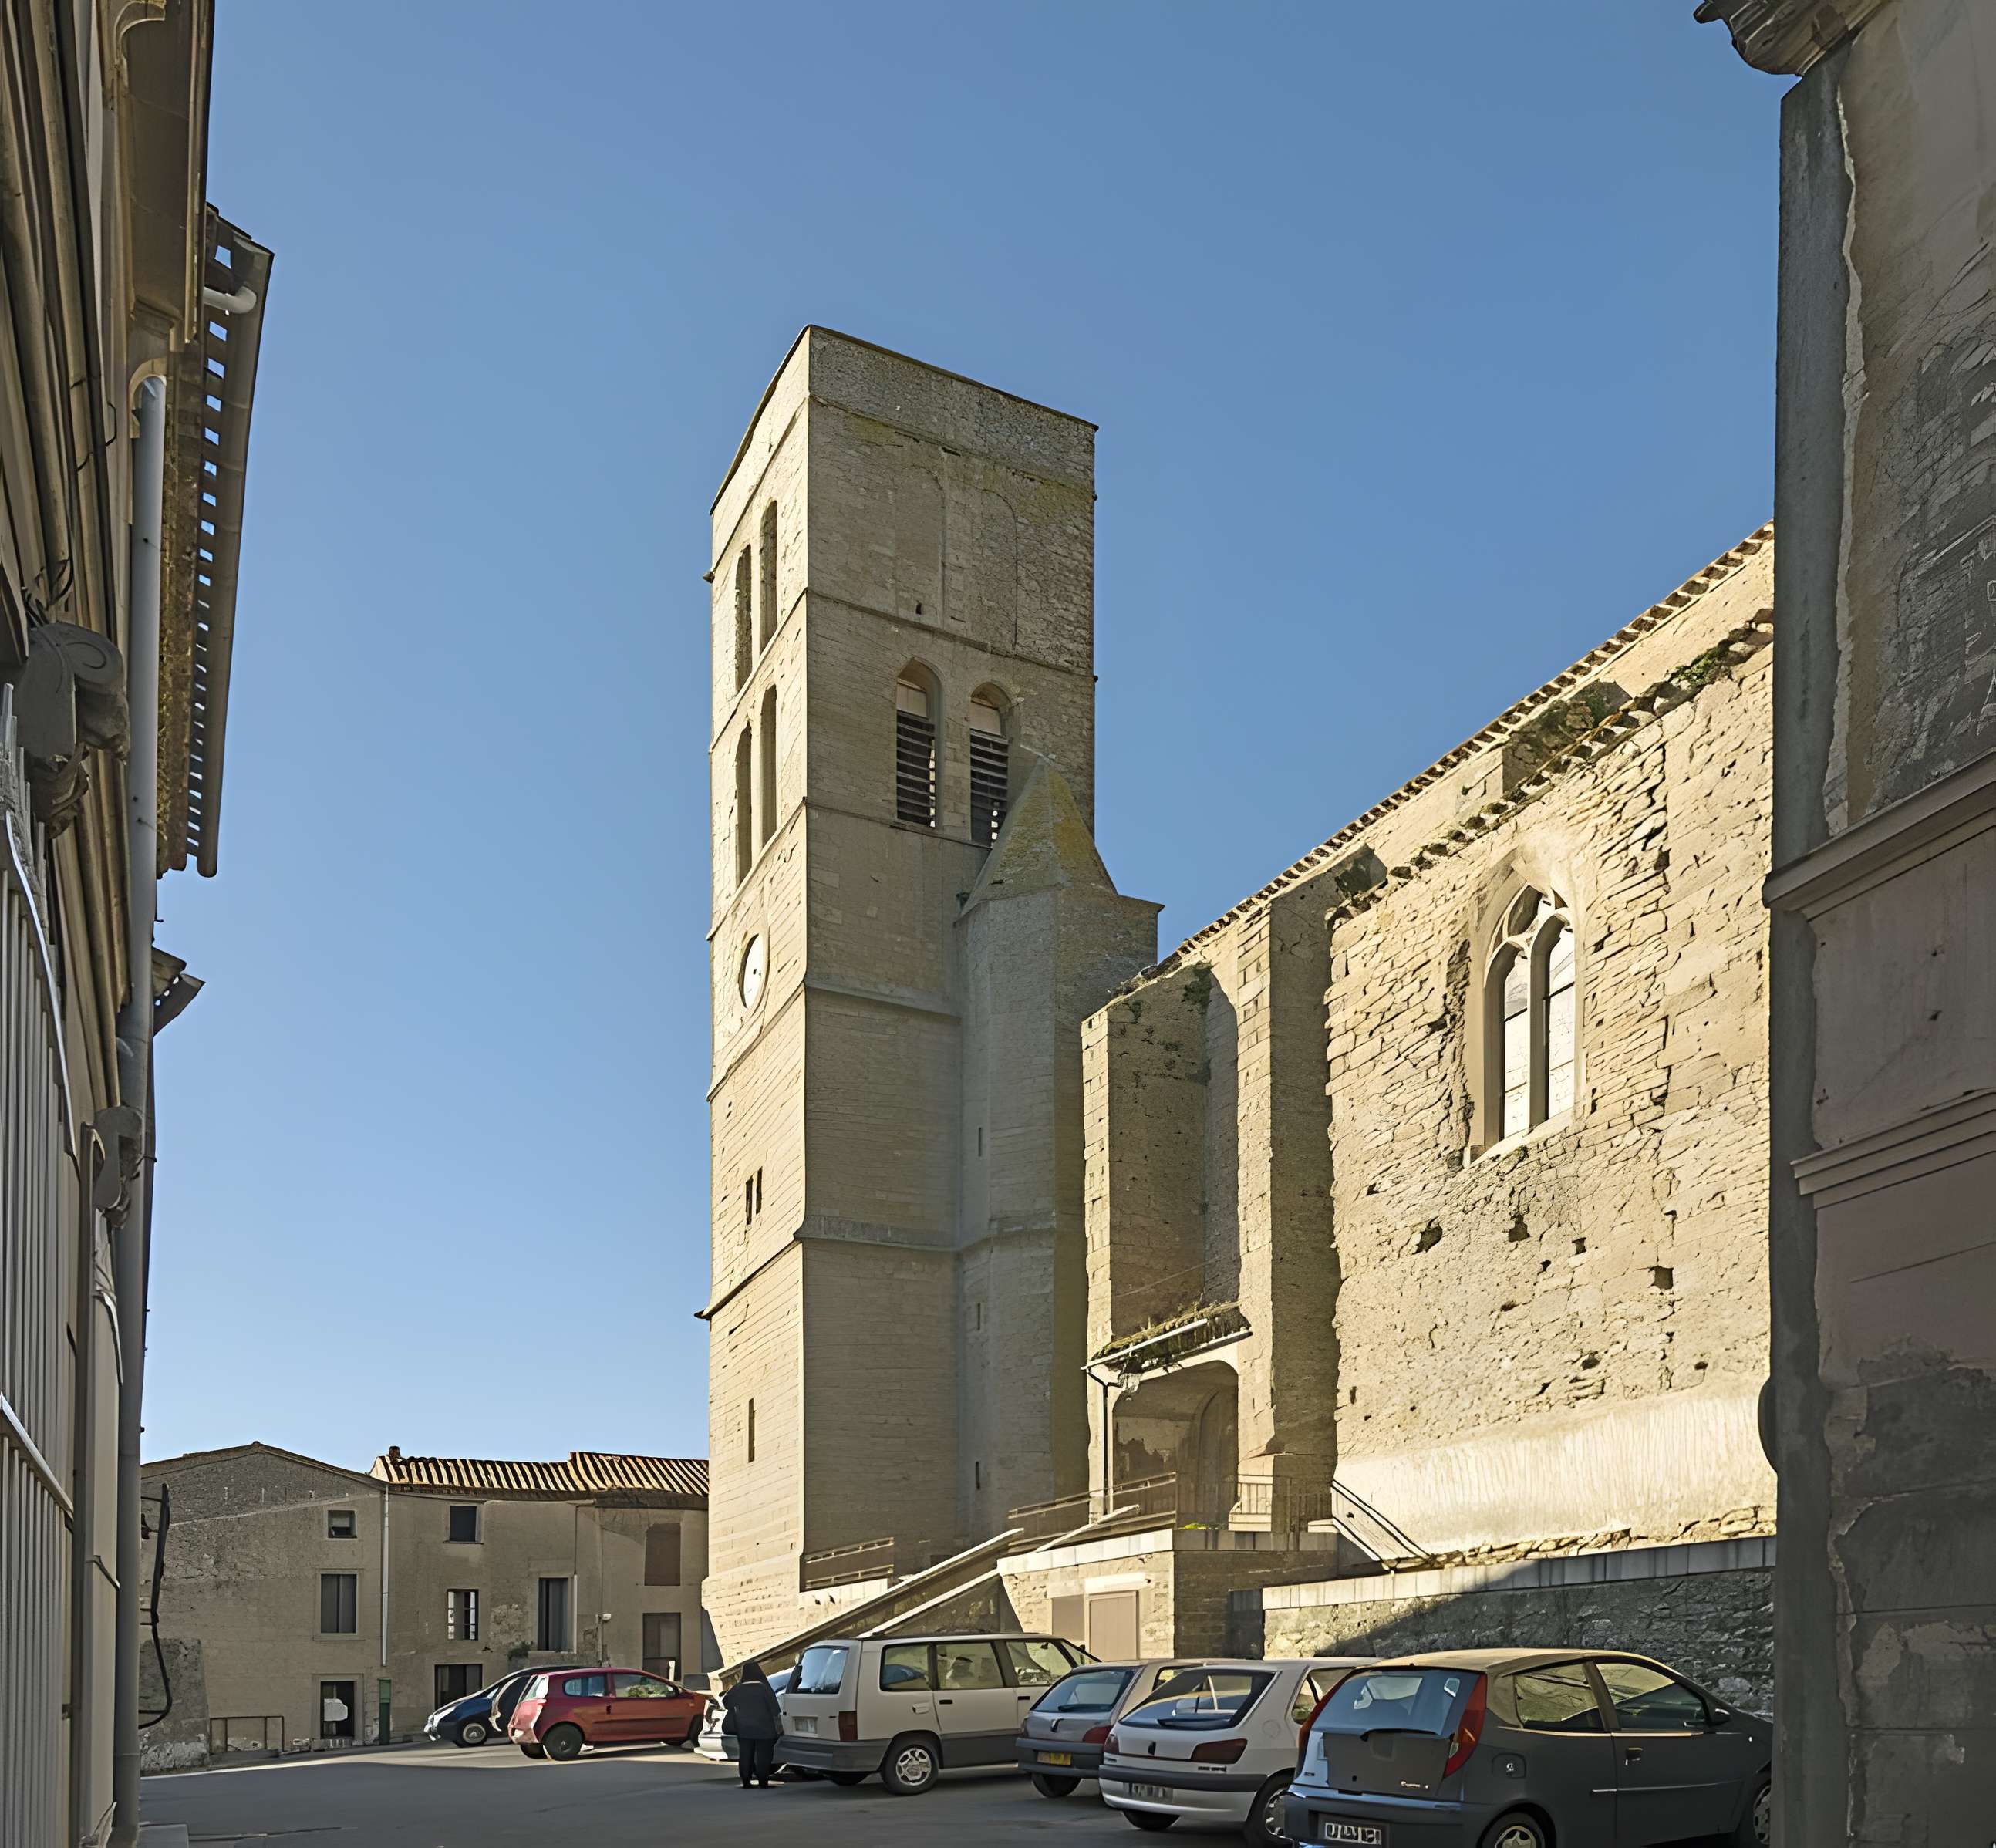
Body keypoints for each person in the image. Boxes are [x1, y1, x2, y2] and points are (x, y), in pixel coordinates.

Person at [720, 1660, 783, 1789]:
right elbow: (775, 1709)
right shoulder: (764, 1688)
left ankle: (746, 1781)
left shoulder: (738, 1689)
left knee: (745, 1755)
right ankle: (763, 1782)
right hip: (765, 1730)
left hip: (744, 1729)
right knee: (764, 1756)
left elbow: (726, 1703)